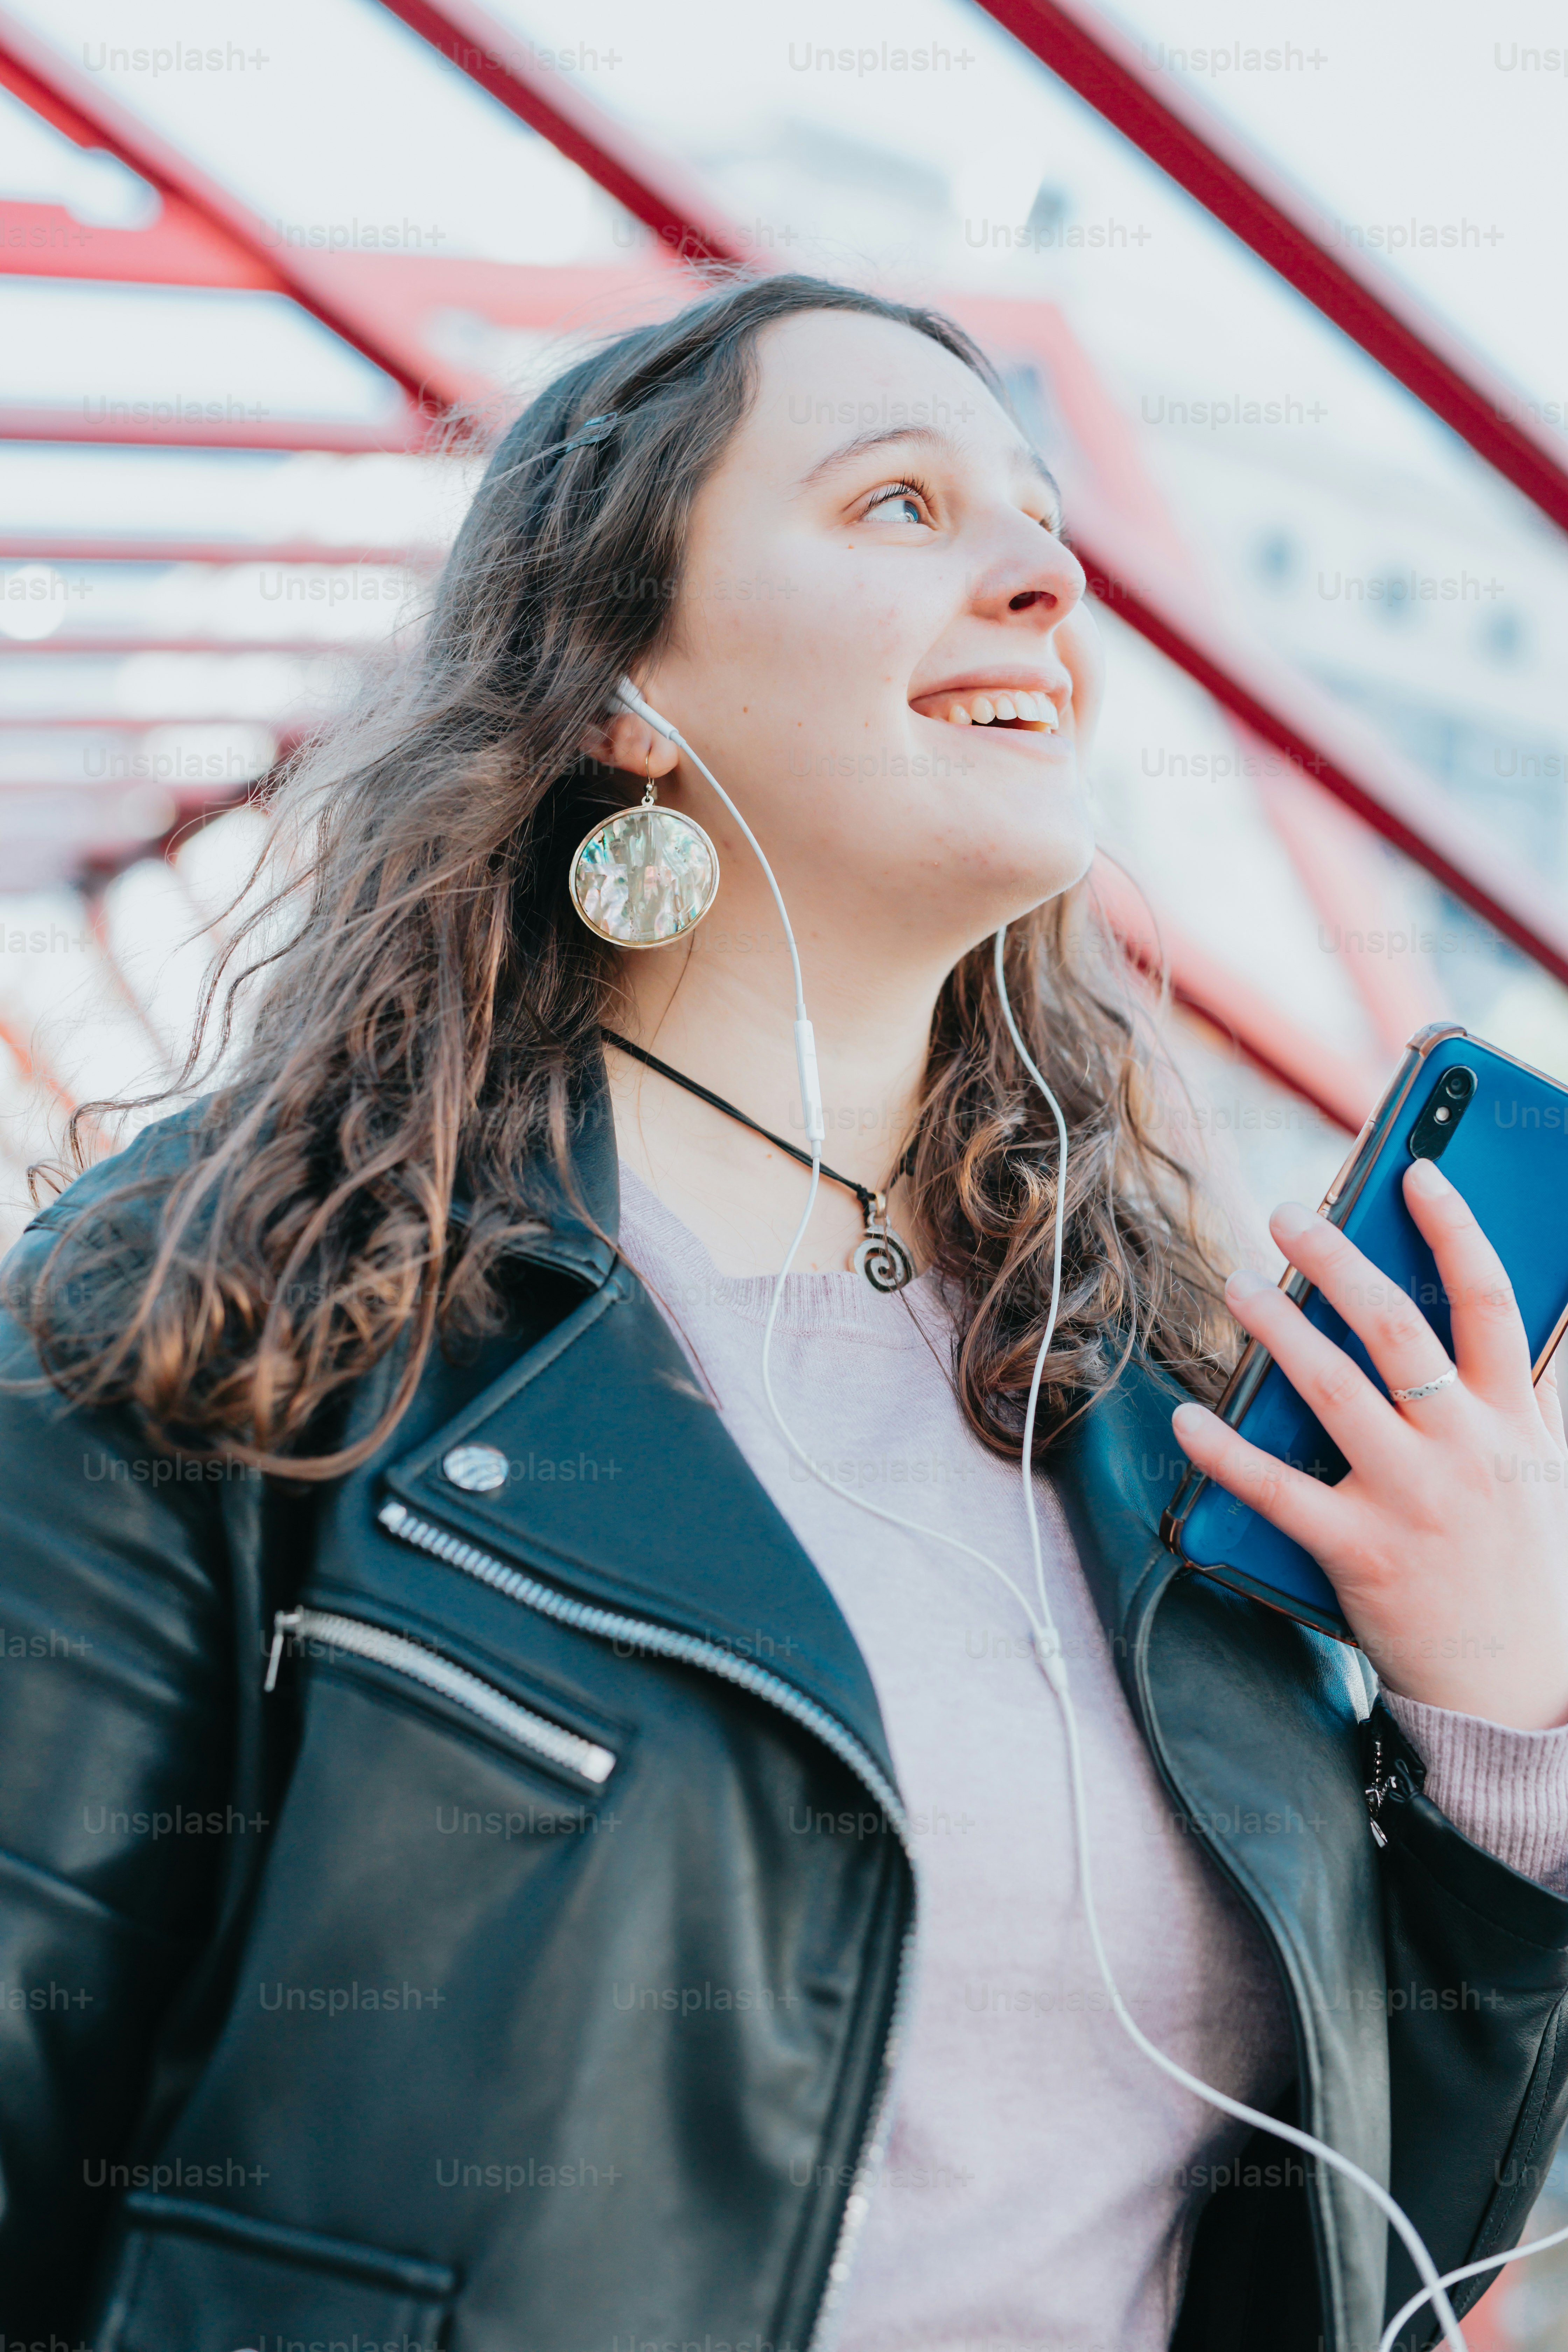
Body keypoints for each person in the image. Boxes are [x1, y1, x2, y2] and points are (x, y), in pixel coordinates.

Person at [2, 274, 1566, 2352]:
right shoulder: (226, 1300)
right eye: (901, 506)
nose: (1045, 574)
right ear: (623, 691)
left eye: (1039, 513)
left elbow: (1386, 2255)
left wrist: (1504, 1722)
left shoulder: (1155, 1409)